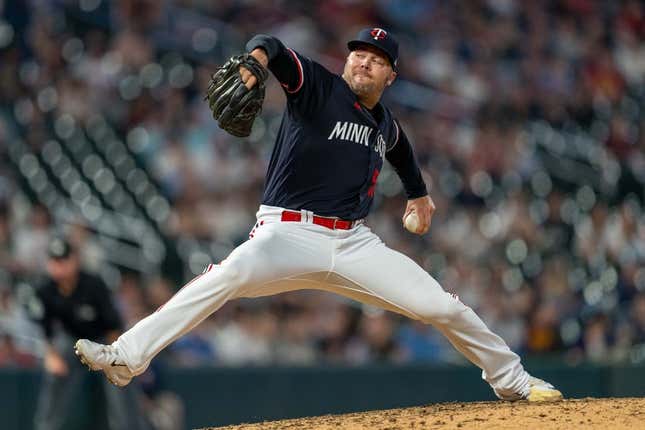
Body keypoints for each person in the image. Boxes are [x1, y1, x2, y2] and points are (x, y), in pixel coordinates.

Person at [75, 28, 562, 402]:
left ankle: (511, 379)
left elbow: (401, 149)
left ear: (390, 77)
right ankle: (126, 356)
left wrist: (419, 194)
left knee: (441, 306)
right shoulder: (319, 88)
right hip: (286, 233)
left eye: (376, 61)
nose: (363, 62)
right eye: (359, 54)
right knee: (227, 274)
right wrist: (256, 62)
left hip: (352, 243)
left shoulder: (383, 122)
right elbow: (273, 45)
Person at [32, 236, 149, 430]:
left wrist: (114, 359)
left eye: (63, 260)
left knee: (120, 377)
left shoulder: (93, 285)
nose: (59, 266)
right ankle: (45, 427)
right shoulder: (46, 290)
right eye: (54, 261)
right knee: (55, 373)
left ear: (74, 261)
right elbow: (46, 330)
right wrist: (51, 356)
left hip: (103, 340)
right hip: (73, 342)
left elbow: (113, 326)